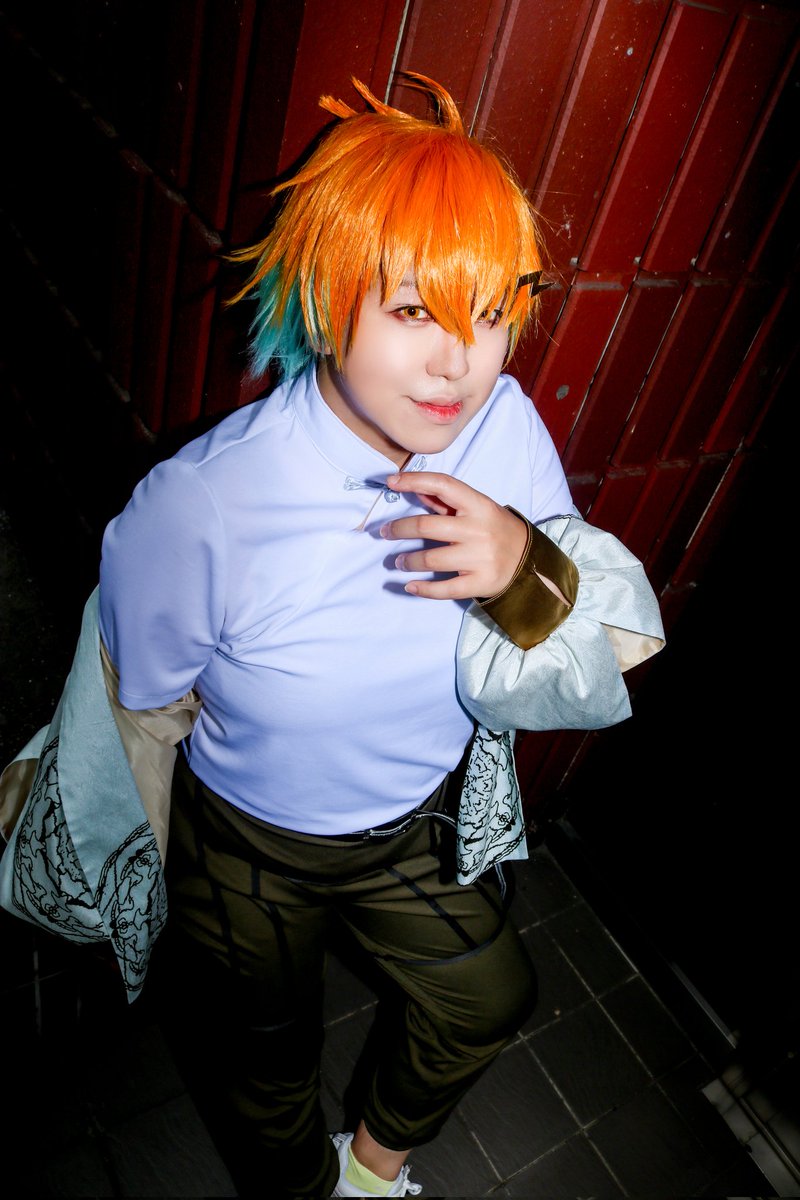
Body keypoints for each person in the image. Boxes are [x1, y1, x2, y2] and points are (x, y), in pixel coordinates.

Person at [96, 73, 664, 1198]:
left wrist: (519, 563)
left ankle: (368, 1178)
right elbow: (145, 697)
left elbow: (609, 644)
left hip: (408, 827)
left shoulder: (503, 425)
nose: (460, 363)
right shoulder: (204, 502)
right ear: (326, 295)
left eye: (489, 313)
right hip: (249, 844)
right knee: (265, 1065)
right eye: (413, 312)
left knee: (489, 998)